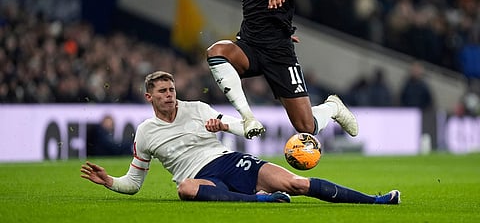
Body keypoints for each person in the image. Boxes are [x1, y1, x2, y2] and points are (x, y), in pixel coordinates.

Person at [80, 71, 400, 204]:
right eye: (162, 91)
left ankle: (375, 201)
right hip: (200, 179)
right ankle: (260, 201)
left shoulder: (196, 108)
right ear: (149, 98)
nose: (169, 95)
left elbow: (235, 124)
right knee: (185, 189)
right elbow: (134, 184)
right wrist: (110, 181)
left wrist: (232, 126)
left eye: (172, 89)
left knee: (296, 183)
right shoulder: (146, 133)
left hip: (230, 162)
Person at [206, 0, 358, 139]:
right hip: (250, 45)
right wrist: (280, 24)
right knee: (217, 52)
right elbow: (256, 8)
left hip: (278, 53)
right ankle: (248, 118)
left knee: (306, 126)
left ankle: (332, 107)